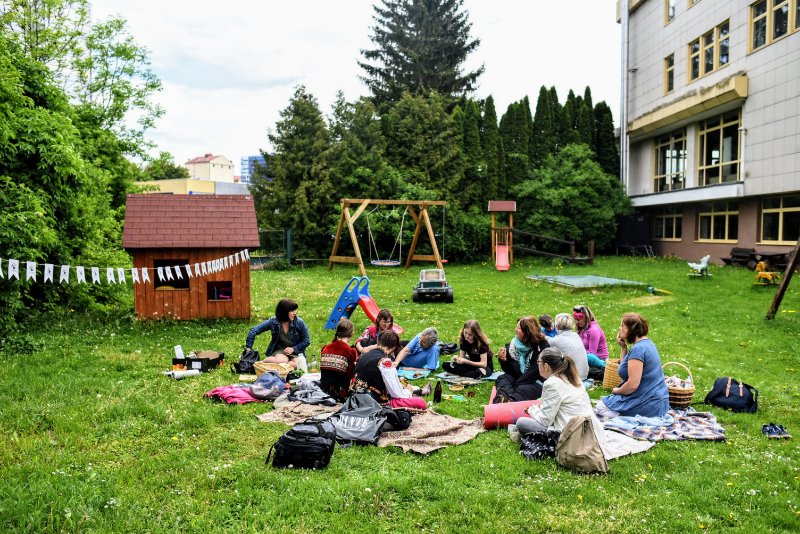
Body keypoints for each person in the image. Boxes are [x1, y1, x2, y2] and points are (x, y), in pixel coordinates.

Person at [516, 348, 605, 440]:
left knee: (521, 423)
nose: (537, 364)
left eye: (538, 362)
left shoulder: (551, 384)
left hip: (569, 435)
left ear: (546, 366)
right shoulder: (574, 378)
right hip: (590, 430)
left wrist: (532, 410)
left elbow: (545, 420)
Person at [595, 313, 670, 418]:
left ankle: (628, 417)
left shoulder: (638, 349)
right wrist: (623, 348)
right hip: (658, 402)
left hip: (648, 403)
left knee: (600, 407)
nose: (620, 328)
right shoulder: (647, 343)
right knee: (607, 403)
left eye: (622, 326)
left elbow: (632, 385)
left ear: (632, 329)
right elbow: (625, 368)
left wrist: (617, 391)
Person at [350, 331, 427, 410]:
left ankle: (417, 391)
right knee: (421, 402)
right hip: (372, 402)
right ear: (393, 348)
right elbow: (396, 393)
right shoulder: (385, 362)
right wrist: (408, 392)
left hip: (354, 396)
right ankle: (417, 392)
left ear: (378, 342)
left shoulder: (364, 354)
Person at [494, 316, 550, 402]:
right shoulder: (512, 346)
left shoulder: (542, 347)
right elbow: (510, 371)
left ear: (527, 332)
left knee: (523, 389)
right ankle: (505, 398)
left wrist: (515, 384)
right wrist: (503, 360)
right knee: (502, 378)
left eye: (519, 328)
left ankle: (509, 399)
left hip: (536, 381)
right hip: (518, 378)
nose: (515, 330)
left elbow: (534, 372)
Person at [244, 299, 310, 371]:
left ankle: (281, 367)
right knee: (282, 361)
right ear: (284, 312)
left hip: (296, 352)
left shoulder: (299, 322)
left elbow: (306, 340)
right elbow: (253, 331)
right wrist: (248, 349)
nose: (295, 313)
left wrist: (293, 349)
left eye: (295, 310)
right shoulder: (273, 321)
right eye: (292, 311)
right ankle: (259, 364)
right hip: (280, 351)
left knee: (298, 364)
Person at [319, 318, 359, 402]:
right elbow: (350, 376)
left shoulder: (325, 348)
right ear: (351, 333)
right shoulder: (350, 351)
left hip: (323, 390)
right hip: (339, 393)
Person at [547, 313, 589, 381]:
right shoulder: (575, 335)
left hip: (572, 378)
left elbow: (545, 340)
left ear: (557, 326)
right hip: (584, 375)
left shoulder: (555, 341)